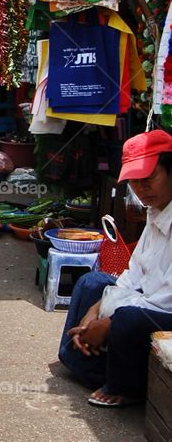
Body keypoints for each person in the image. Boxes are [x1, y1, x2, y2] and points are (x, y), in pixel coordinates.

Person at [57, 130, 172, 408]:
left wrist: (107, 322)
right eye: (135, 181)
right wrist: (96, 311)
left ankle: (125, 386)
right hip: (148, 300)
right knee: (91, 283)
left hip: (165, 312)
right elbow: (134, 273)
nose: (141, 188)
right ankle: (87, 358)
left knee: (127, 320)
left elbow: (164, 301)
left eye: (150, 178)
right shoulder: (156, 211)